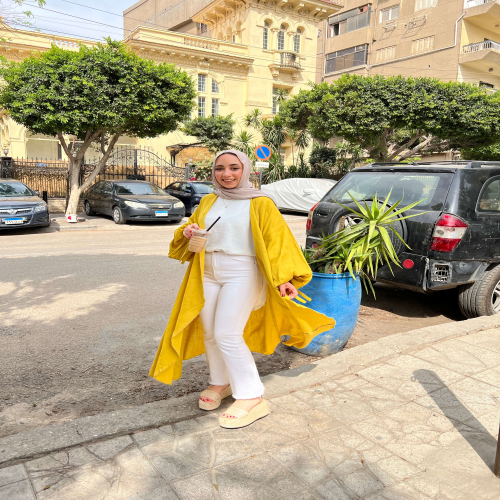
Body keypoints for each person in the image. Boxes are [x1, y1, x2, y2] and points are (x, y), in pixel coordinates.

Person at [150, 150, 335, 429]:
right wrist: (188, 231)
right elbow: (192, 226)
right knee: (210, 332)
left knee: (227, 333)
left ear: (245, 170)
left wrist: (285, 278)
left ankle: (251, 396)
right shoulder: (209, 200)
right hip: (206, 271)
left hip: (242, 271)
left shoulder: (260, 202)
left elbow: (278, 241)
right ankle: (220, 382)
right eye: (220, 168)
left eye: (234, 168)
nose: (226, 174)